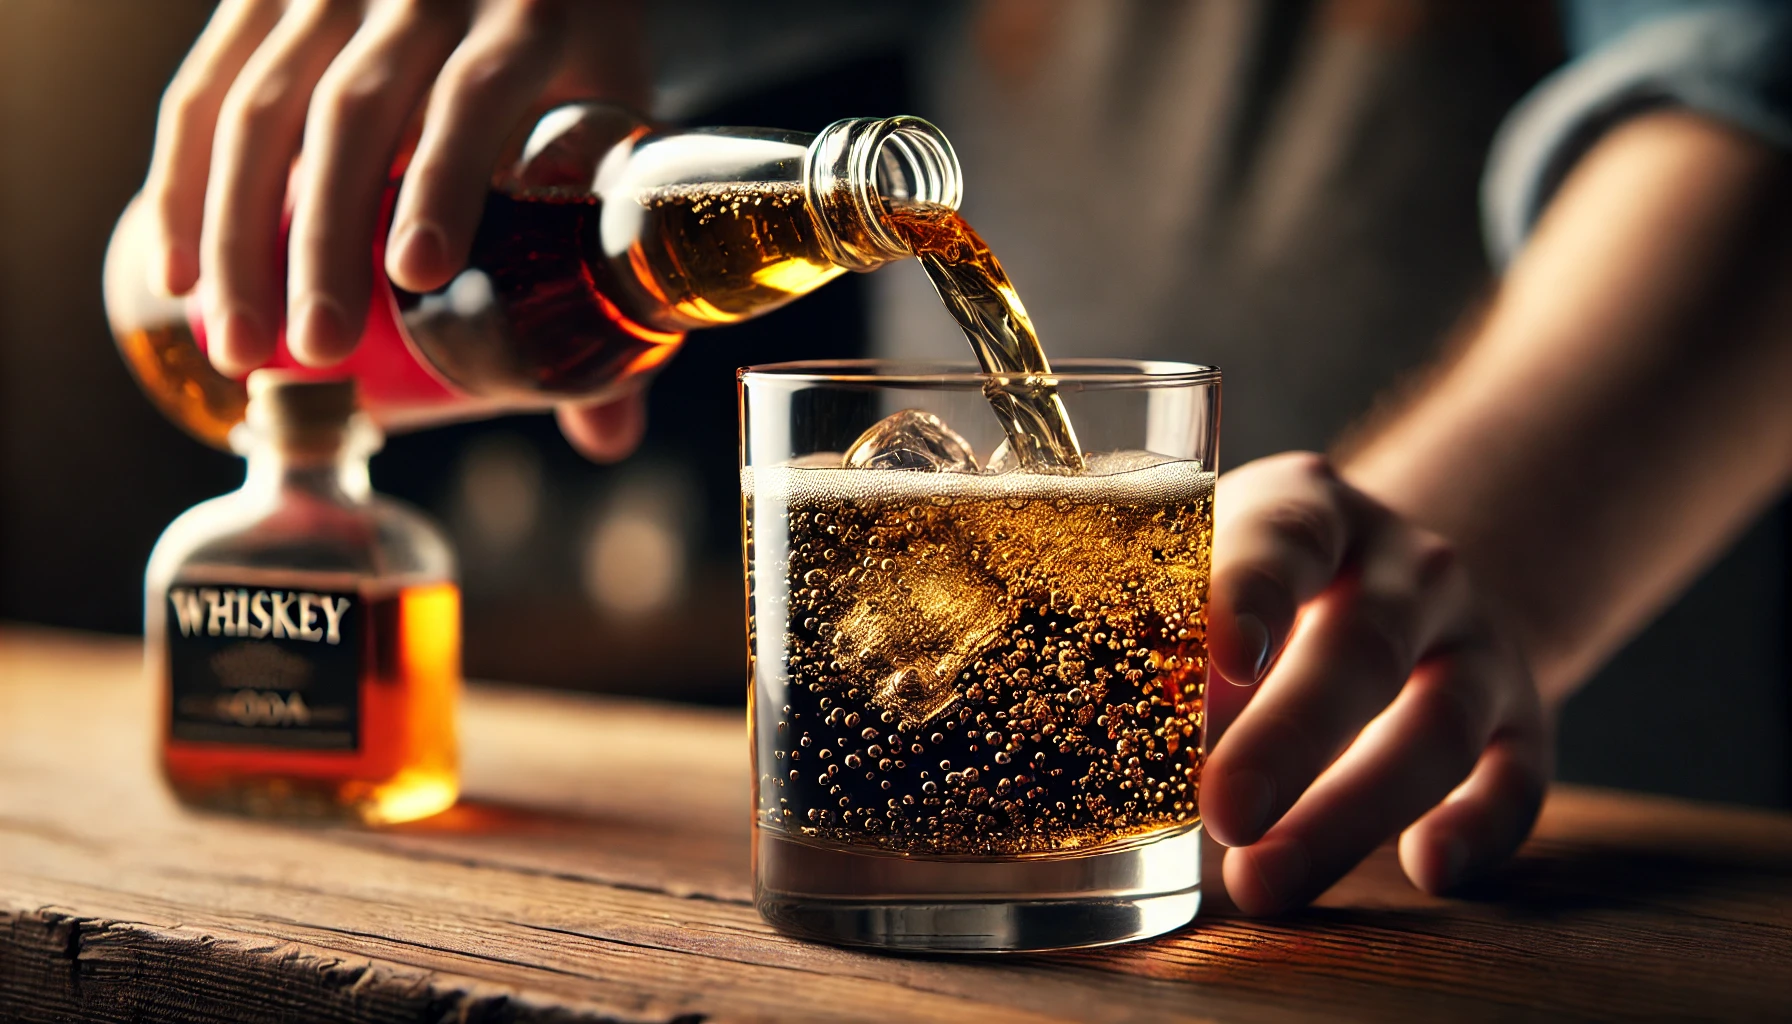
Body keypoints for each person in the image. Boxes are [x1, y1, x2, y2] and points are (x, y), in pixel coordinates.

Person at [134, 0, 1792, 914]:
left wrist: (1421, 558)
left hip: (1548, 867)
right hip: (934, 881)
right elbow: (162, 289)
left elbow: (1749, 108)